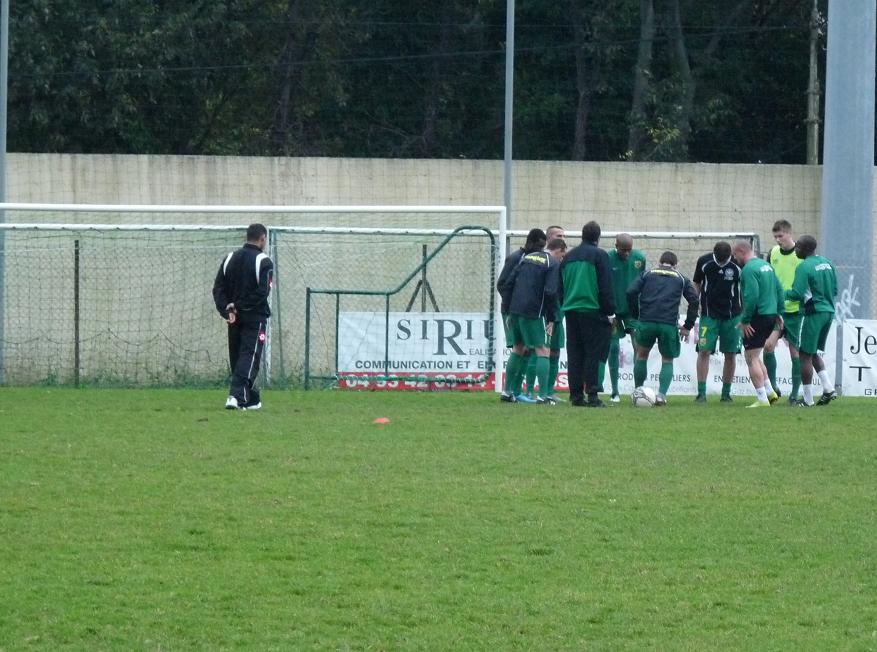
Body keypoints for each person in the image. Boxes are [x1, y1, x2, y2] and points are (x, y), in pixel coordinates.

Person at [212, 223, 274, 410]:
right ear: (262, 238)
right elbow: (262, 292)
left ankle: (251, 398)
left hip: (234, 318)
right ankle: (236, 396)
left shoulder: (229, 258)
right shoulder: (264, 261)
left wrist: (227, 309)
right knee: (249, 356)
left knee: (238, 357)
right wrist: (238, 307)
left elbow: (218, 289)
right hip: (254, 318)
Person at [626, 251, 699, 406]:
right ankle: (661, 396)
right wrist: (688, 326)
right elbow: (694, 300)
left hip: (646, 322)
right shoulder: (681, 278)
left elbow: (631, 292)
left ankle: (638, 391)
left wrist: (636, 314)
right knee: (667, 359)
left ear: (659, 262)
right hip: (668, 324)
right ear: (675, 264)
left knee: (641, 355)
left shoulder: (647, 274)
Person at [560, 220, 615, 408]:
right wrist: (609, 310)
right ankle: (592, 394)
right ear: (598, 237)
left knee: (575, 353)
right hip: (592, 309)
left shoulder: (568, 257)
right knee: (593, 353)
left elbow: (561, 285)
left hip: (570, 311)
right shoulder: (600, 256)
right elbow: (605, 285)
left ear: (582, 236)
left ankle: (576, 396)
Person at [502, 234, 561, 404]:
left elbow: (508, 283)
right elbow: (550, 291)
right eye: (562, 255)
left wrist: (508, 309)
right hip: (535, 312)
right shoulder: (551, 263)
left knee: (518, 348)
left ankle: (507, 392)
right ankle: (543, 396)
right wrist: (551, 318)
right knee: (543, 350)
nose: (562, 258)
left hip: (515, 310)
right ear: (556, 250)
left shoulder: (525, 258)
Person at [784, 235, 838, 406]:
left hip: (814, 312)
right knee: (812, 352)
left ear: (805, 248)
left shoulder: (804, 267)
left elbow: (796, 293)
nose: (795, 250)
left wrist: (779, 294)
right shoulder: (827, 263)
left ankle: (807, 400)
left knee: (804, 355)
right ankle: (829, 389)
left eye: (797, 246)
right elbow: (835, 289)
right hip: (829, 311)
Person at [497, 228, 547, 402]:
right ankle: (509, 390)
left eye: (543, 247)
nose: (541, 250)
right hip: (511, 311)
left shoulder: (533, 260)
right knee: (520, 347)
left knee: (525, 349)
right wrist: (512, 307)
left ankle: (514, 392)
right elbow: (502, 284)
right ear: (530, 242)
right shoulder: (516, 258)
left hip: (521, 310)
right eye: (539, 246)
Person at [733, 240, 783, 408]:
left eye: (735, 255)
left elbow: (751, 296)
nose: (734, 258)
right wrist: (779, 312)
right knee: (756, 355)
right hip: (770, 314)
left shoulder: (748, 269)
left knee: (751, 358)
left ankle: (762, 399)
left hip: (758, 316)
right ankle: (770, 392)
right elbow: (779, 289)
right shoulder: (766, 266)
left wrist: (745, 320)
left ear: (741, 251)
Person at [692, 241, 742, 403]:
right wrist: (695, 302)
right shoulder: (704, 261)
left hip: (732, 316)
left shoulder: (737, 265)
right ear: (713, 253)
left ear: (730, 256)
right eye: (719, 260)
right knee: (704, 351)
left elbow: (744, 287)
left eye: (724, 260)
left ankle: (726, 394)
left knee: (730, 354)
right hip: (708, 315)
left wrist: (746, 313)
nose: (721, 263)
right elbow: (697, 283)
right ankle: (701, 393)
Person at [603, 233, 646, 402]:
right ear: (616, 246)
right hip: (613, 310)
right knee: (613, 349)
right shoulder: (607, 258)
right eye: (623, 250)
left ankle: (638, 390)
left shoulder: (639, 258)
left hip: (633, 311)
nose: (627, 253)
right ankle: (614, 391)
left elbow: (642, 283)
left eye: (629, 250)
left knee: (639, 347)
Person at [522, 226, 565, 398]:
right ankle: (531, 390)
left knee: (554, 350)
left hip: (557, 312)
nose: (563, 238)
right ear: (548, 239)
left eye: (564, 235)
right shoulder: (538, 260)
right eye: (559, 235)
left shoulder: (563, 261)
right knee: (537, 349)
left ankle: (549, 391)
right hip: (542, 313)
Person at [763, 220, 803, 404]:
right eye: (775, 237)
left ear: (789, 233)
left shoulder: (801, 254)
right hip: (776, 310)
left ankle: (794, 394)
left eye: (781, 236)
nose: (778, 240)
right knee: (768, 346)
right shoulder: (773, 253)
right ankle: (773, 388)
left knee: (795, 353)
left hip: (795, 311)